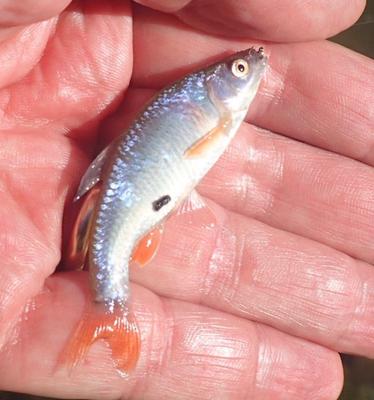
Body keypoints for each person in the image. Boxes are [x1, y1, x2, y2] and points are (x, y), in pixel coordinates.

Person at [0, 0, 372, 399]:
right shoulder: (209, 107)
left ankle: (108, 306)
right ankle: (108, 307)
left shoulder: (208, 103)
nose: (249, 68)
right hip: (136, 189)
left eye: (240, 69)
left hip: (143, 191)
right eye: (240, 70)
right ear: (213, 88)